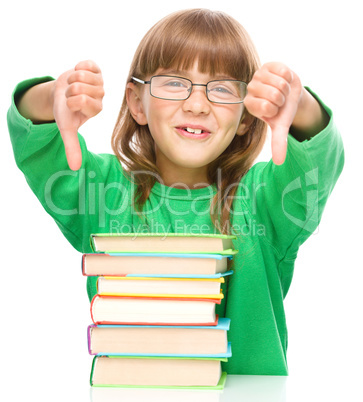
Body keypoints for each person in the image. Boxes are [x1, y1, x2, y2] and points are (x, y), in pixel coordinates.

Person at [8, 8, 344, 375]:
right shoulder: (103, 192)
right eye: (173, 82)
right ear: (137, 103)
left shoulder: (262, 200)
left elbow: (317, 164)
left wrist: (300, 107)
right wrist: (53, 96)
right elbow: (34, 140)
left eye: (221, 88)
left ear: (246, 115)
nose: (197, 105)